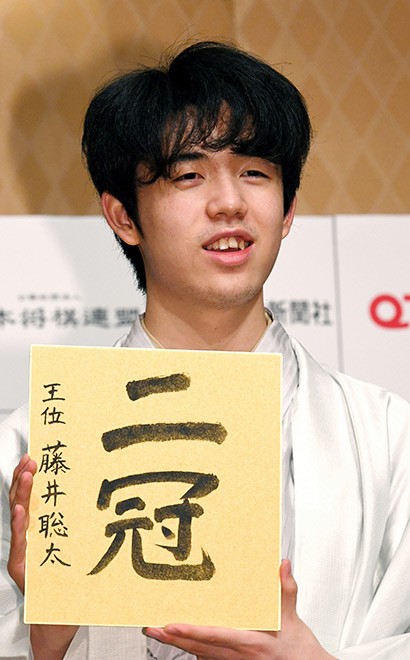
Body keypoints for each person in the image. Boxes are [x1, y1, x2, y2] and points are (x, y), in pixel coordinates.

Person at [1, 40, 410, 659]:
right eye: (188, 175)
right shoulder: (27, 448)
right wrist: (48, 633)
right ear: (123, 217)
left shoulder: (386, 437)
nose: (229, 203)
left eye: (255, 173)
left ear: (289, 206)